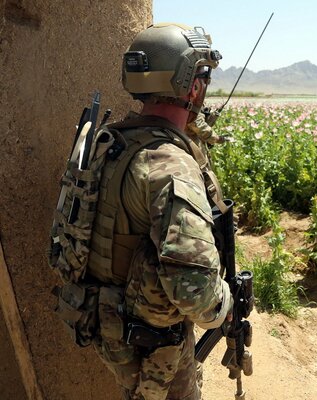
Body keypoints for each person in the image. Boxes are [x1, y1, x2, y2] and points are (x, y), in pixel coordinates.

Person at [89, 23, 231, 400]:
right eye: (202, 77)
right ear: (192, 85)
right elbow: (194, 292)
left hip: (107, 321)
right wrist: (226, 303)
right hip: (150, 342)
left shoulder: (113, 142)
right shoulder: (170, 165)